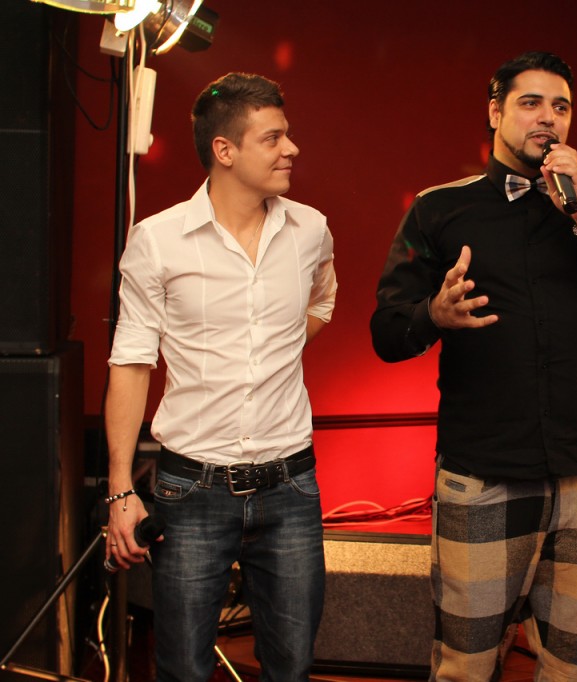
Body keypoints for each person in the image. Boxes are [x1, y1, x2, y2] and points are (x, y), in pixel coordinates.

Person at [370, 51, 577, 681]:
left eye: (561, 106)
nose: (547, 118)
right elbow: (387, 334)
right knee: (466, 667)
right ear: (495, 113)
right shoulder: (438, 209)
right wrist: (434, 315)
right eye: (530, 103)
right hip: (482, 475)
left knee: (574, 667)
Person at [103, 72, 337, 681]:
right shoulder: (157, 241)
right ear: (224, 150)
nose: (291, 149)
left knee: (292, 666)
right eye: (273, 138)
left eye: (287, 135)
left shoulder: (310, 229)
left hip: (291, 485)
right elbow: (131, 362)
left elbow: (322, 302)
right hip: (191, 490)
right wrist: (121, 488)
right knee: (182, 668)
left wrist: (272, 352)